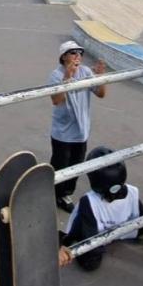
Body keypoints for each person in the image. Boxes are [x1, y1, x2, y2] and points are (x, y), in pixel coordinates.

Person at [58, 146, 143, 271]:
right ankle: (64, 241)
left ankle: (64, 242)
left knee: (90, 262)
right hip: (112, 232)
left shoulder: (90, 201)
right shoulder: (132, 192)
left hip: (99, 233)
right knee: (91, 260)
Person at [49, 41, 108, 213]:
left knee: (76, 164)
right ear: (64, 56)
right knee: (61, 165)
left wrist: (102, 76)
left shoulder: (86, 72)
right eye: (73, 53)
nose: (78, 56)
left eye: (80, 53)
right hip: (62, 132)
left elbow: (101, 94)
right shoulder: (55, 75)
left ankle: (65, 194)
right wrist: (67, 76)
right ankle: (53, 192)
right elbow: (56, 100)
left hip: (81, 130)